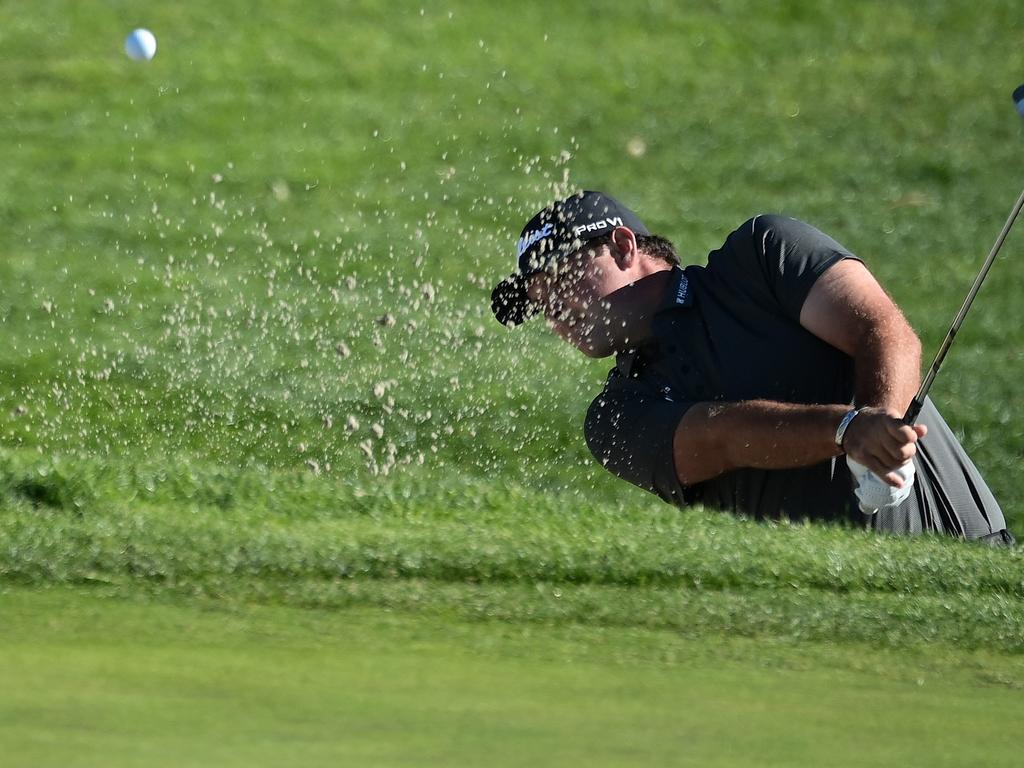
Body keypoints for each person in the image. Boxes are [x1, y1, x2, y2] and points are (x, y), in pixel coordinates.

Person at [491, 190, 1014, 544]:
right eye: (542, 305)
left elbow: (880, 329)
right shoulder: (615, 417)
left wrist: (882, 426)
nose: (556, 316)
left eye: (562, 285)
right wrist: (849, 430)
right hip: (824, 623)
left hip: (967, 555)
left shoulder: (764, 257)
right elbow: (720, 437)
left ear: (624, 246)